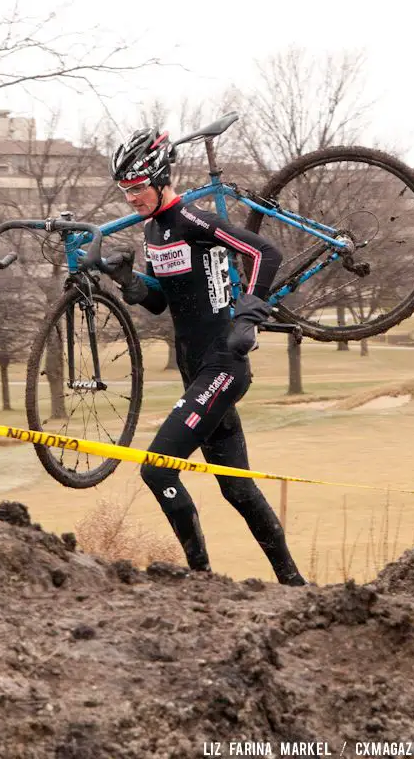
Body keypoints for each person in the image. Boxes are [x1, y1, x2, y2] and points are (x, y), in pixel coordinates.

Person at [106, 127, 305, 585]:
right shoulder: (154, 230)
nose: (131, 197)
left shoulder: (191, 220)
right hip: (195, 370)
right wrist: (130, 282)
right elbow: (161, 300)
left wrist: (248, 316)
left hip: (223, 364)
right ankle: (295, 585)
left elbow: (265, 252)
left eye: (137, 187)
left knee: (156, 469)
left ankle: (201, 580)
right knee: (237, 487)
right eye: (125, 190)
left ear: (159, 178)